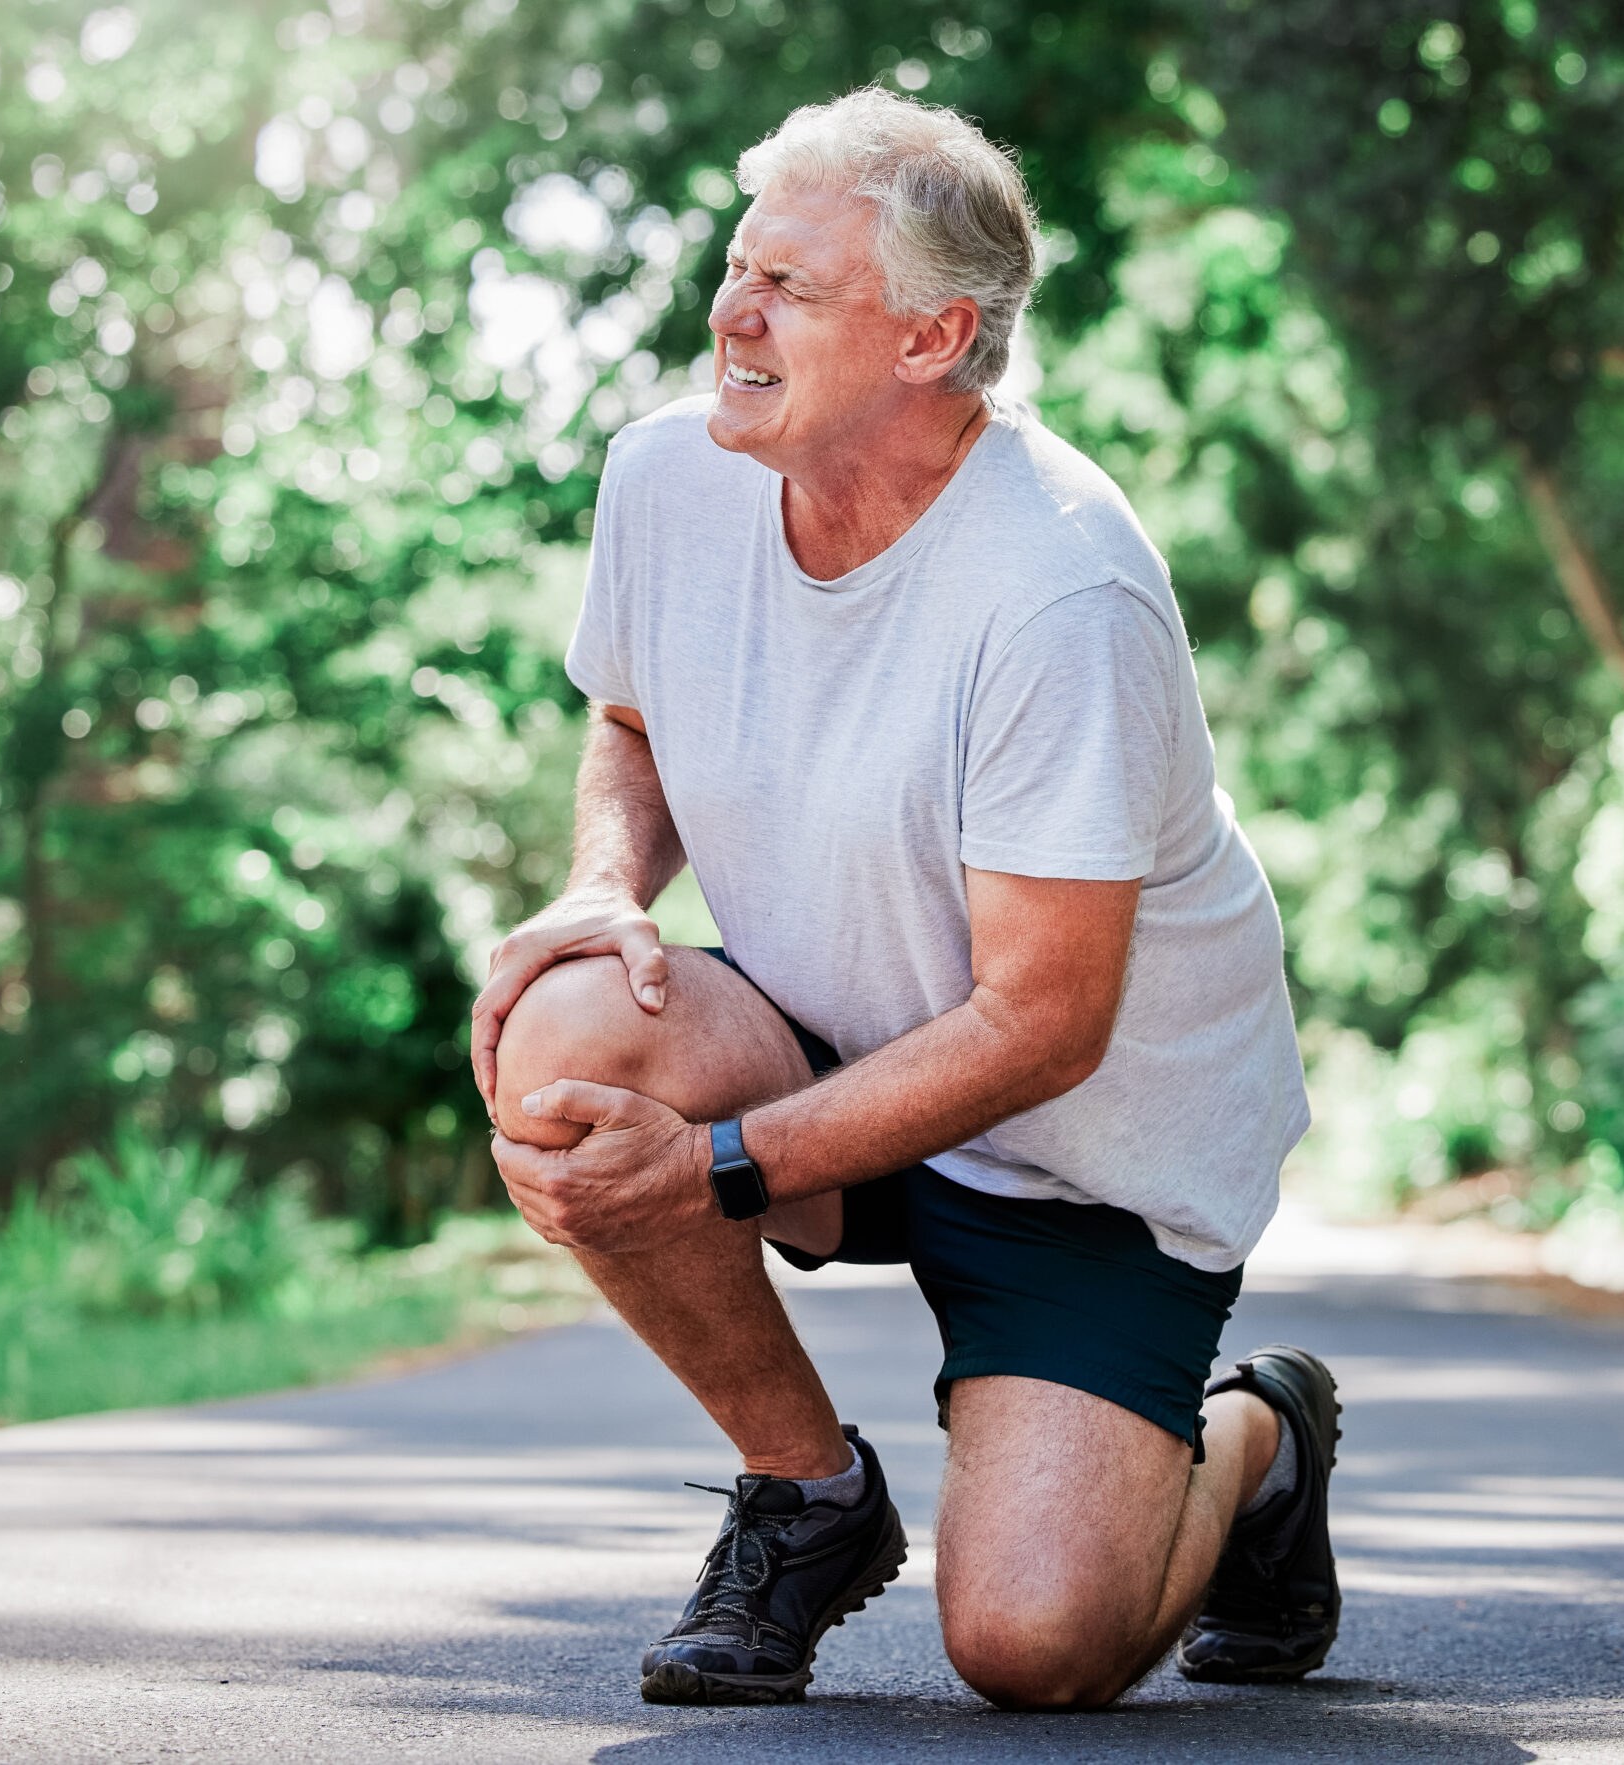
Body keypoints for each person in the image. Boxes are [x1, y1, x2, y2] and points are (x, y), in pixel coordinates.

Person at [470, 87, 1338, 1712]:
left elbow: (1045, 1021)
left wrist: (721, 1165)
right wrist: (603, 888)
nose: (730, 310)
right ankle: (804, 1494)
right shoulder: (668, 477)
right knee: (573, 1025)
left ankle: (1256, 1438)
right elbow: (634, 714)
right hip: (828, 1037)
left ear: (937, 336)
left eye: (789, 288)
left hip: (1084, 1153)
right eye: (738, 267)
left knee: (1036, 1648)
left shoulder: (1062, 588)